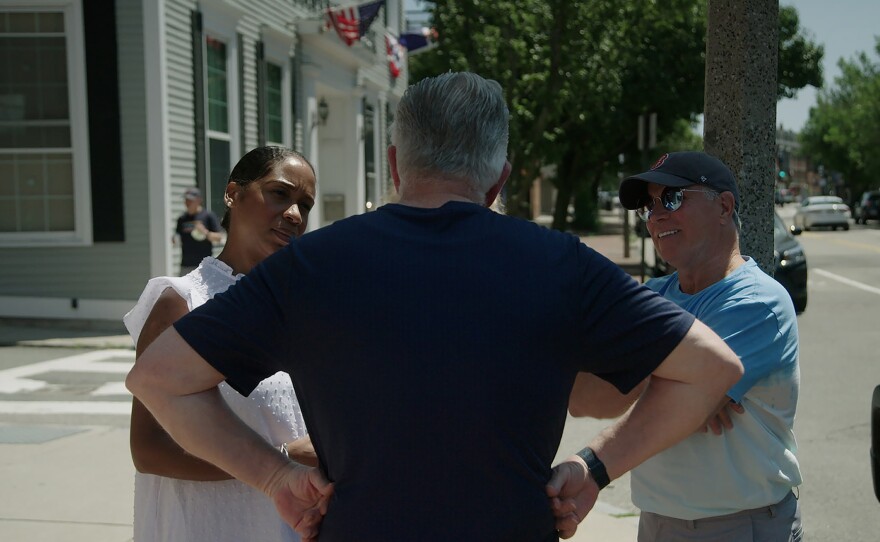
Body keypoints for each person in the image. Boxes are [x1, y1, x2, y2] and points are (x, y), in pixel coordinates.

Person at [126, 73, 743, 542]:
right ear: (499, 180)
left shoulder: (310, 267)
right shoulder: (561, 264)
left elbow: (158, 380)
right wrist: (595, 470)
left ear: (395, 165)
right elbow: (712, 367)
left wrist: (275, 479)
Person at [568, 151, 803, 541]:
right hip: (657, 523)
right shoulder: (653, 294)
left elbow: (673, 406)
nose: (657, 215)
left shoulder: (759, 302)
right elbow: (585, 398)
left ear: (724, 206)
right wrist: (686, 381)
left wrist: (644, 375)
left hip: (741, 525)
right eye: (648, 206)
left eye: (673, 198)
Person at [124, 146, 318, 542]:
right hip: (209, 524)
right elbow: (148, 449)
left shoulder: (306, 306)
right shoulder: (182, 300)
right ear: (233, 193)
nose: (295, 214)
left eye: (304, 204)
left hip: (291, 523)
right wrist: (278, 464)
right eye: (280, 193)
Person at [175, 187, 224, 275]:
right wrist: (175, 239)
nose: (187, 202)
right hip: (186, 265)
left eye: (190, 200)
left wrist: (205, 232)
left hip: (203, 266)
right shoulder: (182, 218)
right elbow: (177, 237)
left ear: (199, 200)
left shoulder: (208, 216)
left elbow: (219, 237)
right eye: (186, 200)